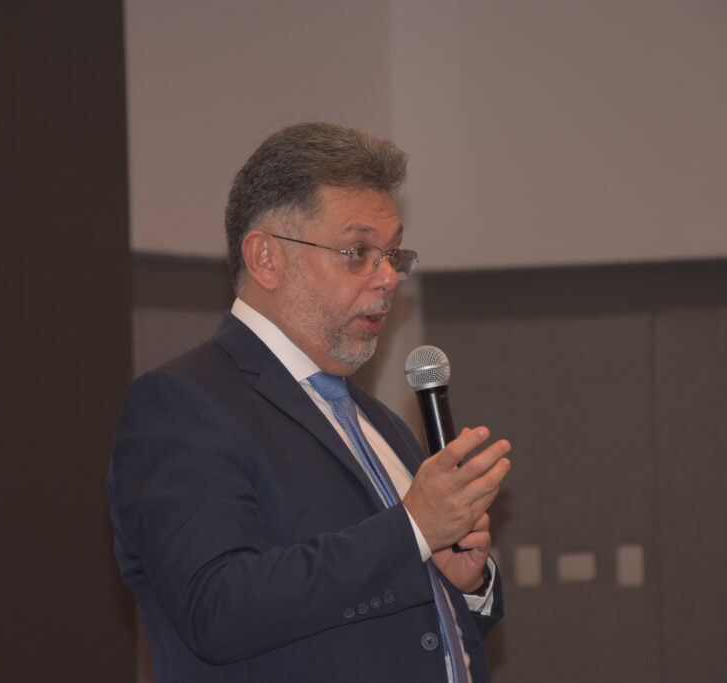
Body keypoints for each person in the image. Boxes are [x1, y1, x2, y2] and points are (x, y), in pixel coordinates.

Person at [107, 122, 512, 682]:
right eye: (358, 252)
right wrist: (413, 530)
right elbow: (216, 608)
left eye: (393, 254)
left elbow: (401, 632)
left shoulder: (379, 422)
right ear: (265, 258)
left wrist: (461, 585)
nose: (388, 278)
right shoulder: (183, 404)